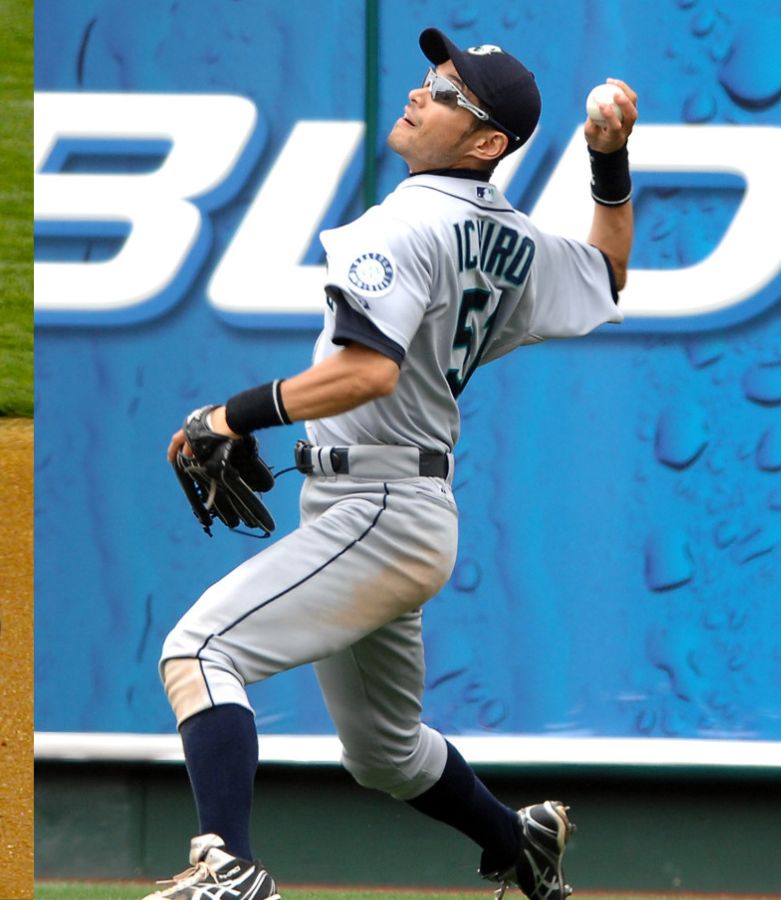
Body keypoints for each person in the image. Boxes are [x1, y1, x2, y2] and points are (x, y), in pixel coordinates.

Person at [151, 28, 637, 900]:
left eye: (449, 92)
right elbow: (606, 271)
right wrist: (609, 161)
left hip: (377, 504)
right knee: (384, 751)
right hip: (392, 504)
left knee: (197, 649)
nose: (421, 93)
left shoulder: (405, 222)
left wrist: (226, 415)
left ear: (488, 144)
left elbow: (366, 369)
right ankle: (518, 840)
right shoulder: (513, 241)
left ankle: (224, 864)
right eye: (430, 78)